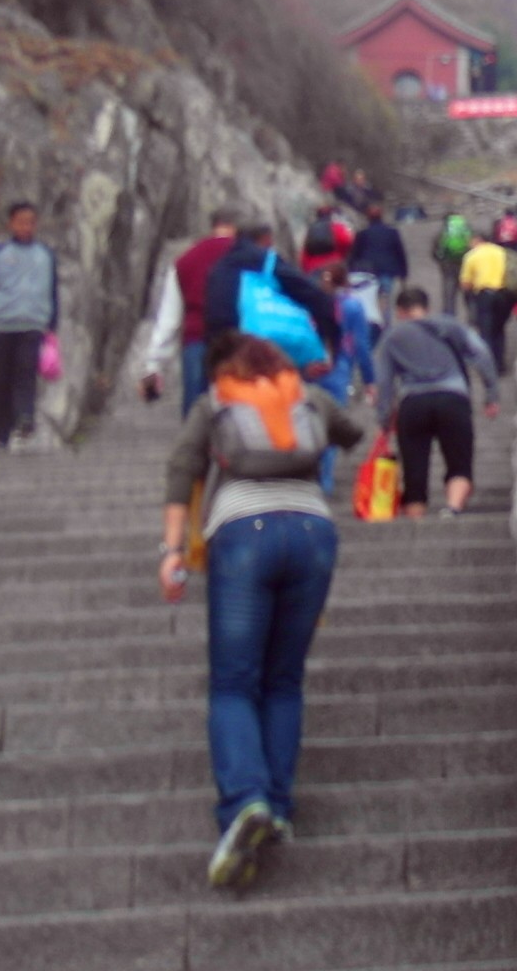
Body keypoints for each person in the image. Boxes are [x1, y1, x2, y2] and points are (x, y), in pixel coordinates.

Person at [161, 330, 365, 888]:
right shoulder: (306, 396)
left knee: (233, 682)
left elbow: (182, 469)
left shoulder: (217, 401)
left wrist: (172, 550)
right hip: (313, 533)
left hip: (243, 534)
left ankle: (245, 801)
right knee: (283, 680)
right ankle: (277, 805)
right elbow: (352, 432)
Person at [371, 286, 497, 518]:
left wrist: (384, 418)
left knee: (414, 469)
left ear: (400, 311)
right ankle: (452, 508)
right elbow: (481, 353)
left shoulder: (392, 338)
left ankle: (415, 518)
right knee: (459, 461)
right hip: (453, 400)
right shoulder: (449, 326)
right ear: (426, 308)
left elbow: (384, 382)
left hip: (413, 404)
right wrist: (491, 392)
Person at [0, 201, 58, 451]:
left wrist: (52, 324)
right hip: (1, 325)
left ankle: (24, 419)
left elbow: (52, 291)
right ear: (11, 223)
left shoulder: (46, 255)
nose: (26, 226)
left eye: (31, 222)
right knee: (0, 380)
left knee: (26, 373)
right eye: (21, 221)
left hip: (33, 324)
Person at [201, 223, 340, 375]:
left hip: (224, 357)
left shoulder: (218, 268)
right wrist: (329, 347)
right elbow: (317, 297)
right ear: (265, 240)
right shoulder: (267, 261)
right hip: (259, 353)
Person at [140, 209, 241, 417]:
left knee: (197, 413)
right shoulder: (247, 255)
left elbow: (169, 320)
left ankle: (195, 447)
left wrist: (154, 364)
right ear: (236, 228)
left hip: (197, 340)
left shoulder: (186, 260)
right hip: (237, 342)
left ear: (212, 227)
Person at [311, 260, 378, 494]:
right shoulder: (352, 306)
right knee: (331, 426)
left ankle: (310, 475)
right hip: (338, 370)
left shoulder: (313, 304)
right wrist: (370, 379)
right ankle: (325, 481)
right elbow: (361, 345)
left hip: (310, 368)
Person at [455, 235, 515, 377]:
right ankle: (500, 364)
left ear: (476, 241)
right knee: (499, 330)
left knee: (486, 331)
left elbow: (465, 284)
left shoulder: (472, 256)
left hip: (484, 296)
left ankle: (489, 366)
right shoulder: (501, 252)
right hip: (504, 295)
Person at [348, 202, 408, 328]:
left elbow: (354, 255)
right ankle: (386, 326)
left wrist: (350, 272)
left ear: (368, 218)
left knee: (371, 301)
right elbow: (400, 252)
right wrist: (403, 272)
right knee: (385, 299)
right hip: (388, 271)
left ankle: (374, 326)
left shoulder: (362, 234)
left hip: (368, 272)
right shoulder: (392, 232)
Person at [432, 211, 473, 317]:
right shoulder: (466, 231)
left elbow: (435, 253)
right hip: (465, 266)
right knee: (468, 294)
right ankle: (472, 318)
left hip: (448, 267)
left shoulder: (442, 233)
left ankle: (449, 319)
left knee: (449, 295)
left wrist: (442, 261)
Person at [298, 204, 353, 277]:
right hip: (333, 267)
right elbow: (346, 242)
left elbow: (304, 256)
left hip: (312, 270)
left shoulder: (311, 230)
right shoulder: (337, 227)